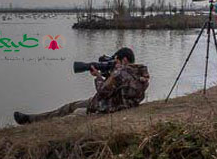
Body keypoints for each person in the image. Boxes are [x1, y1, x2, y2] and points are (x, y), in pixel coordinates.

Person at [13, 47, 150, 124]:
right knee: (70, 106)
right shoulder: (141, 74)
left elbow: (102, 91)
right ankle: (31, 119)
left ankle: (33, 122)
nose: (116, 63)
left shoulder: (120, 73)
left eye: (117, 61)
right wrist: (109, 75)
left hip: (104, 108)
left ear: (124, 60)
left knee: (68, 114)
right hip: (111, 103)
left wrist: (97, 76)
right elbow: (121, 90)